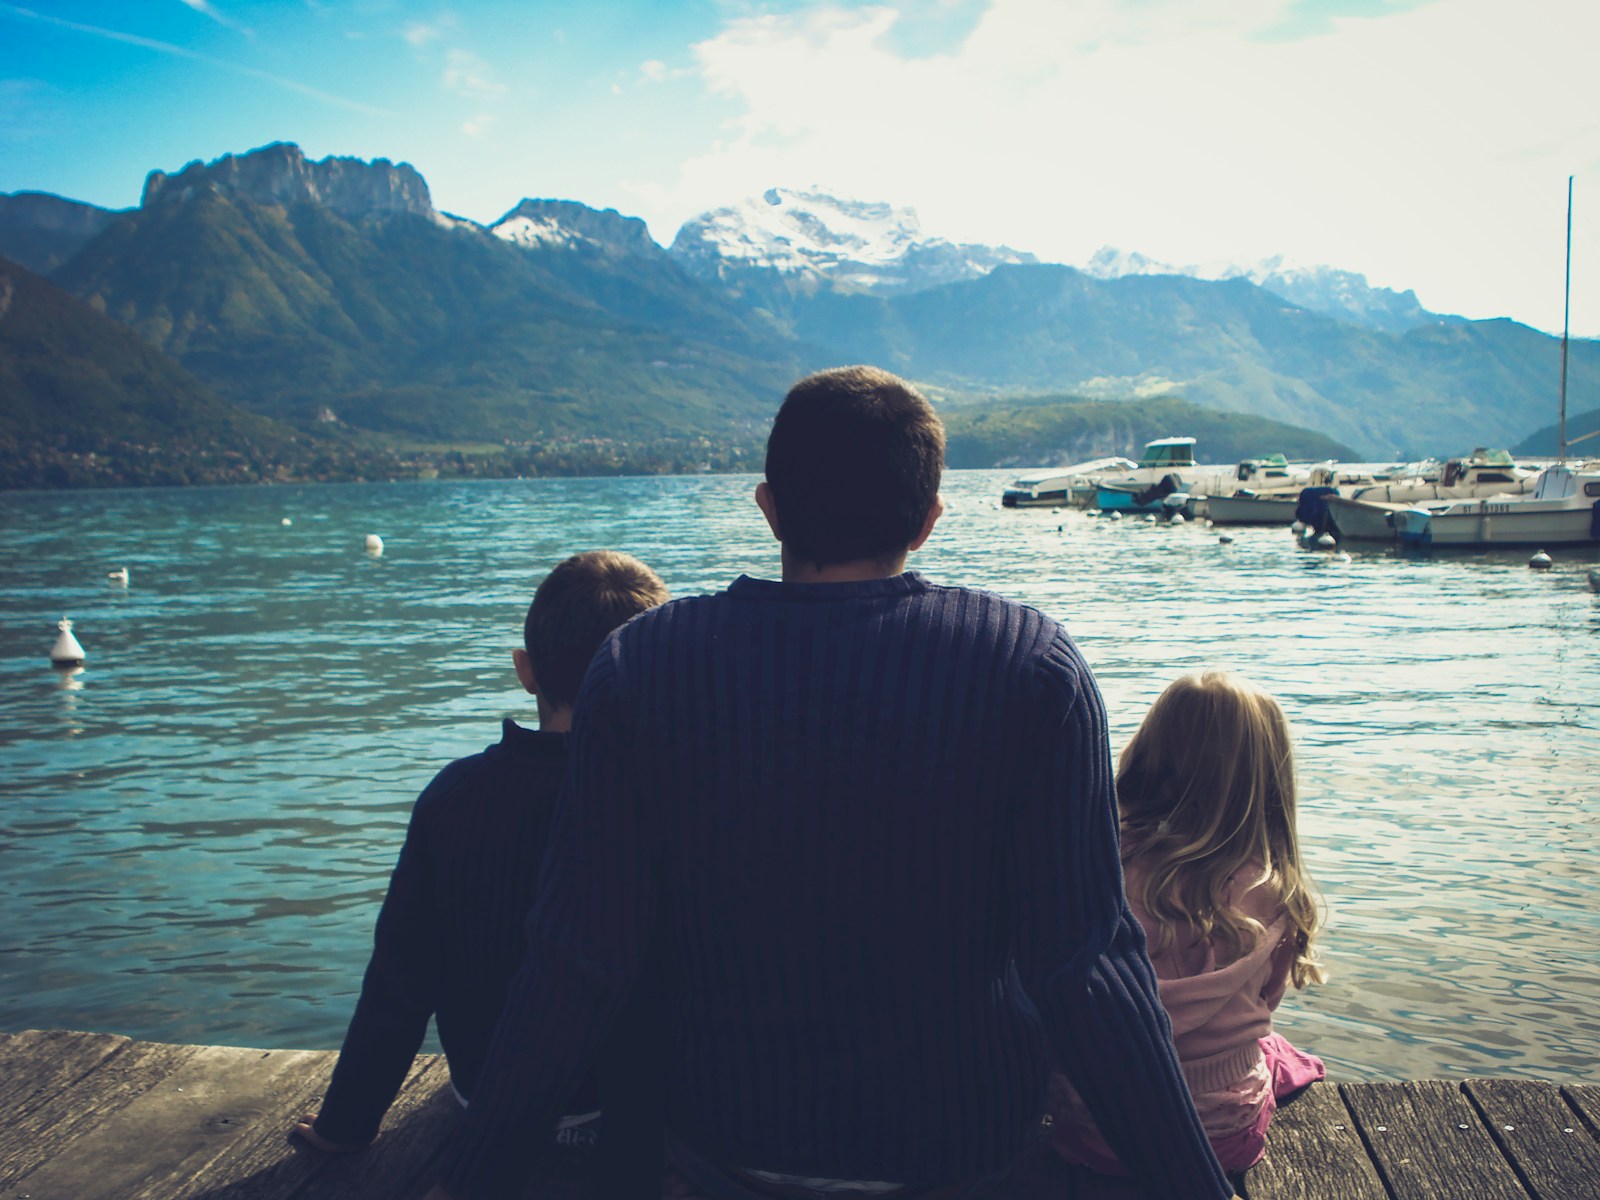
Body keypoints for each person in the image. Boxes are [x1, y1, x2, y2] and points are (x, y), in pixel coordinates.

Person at [429, 366, 1237, 1200]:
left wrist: (467, 1178)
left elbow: (576, 958)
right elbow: (1088, 968)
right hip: (960, 1148)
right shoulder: (1029, 668)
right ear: (927, 522)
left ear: (768, 507)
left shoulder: (641, 667)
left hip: (720, 1141)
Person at [292, 551, 670, 1178]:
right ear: (654, 675)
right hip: (639, 1115)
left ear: (526, 670)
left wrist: (345, 1125)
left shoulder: (454, 797)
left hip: (480, 1099)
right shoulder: (673, 792)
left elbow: (398, 981)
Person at [1051, 671, 1326, 1176]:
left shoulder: (1096, 862)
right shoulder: (1271, 886)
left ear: (1150, 749)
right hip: (1222, 1139)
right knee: (1268, 1044)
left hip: (1092, 1126)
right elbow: (1266, 999)